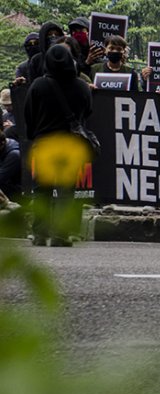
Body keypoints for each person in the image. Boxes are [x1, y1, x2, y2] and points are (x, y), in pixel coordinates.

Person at [25, 45, 93, 246]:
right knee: (66, 192)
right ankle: (61, 235)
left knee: (42, 191)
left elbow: (29, 114)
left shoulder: (37, 85)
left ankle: (40, 233)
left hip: (44, 144)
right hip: (70, 145)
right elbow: (88, 111)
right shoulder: (81, 86)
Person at [0, 131, 21, 200]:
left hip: (18, 191)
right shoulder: (5, 142)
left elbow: (1, 177)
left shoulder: (14, 154)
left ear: (2, 143)